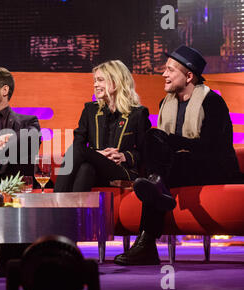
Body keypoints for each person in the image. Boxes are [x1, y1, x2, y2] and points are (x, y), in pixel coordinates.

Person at [114, 45, 243, 265]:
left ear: (189, 75)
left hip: (214, 168)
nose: (164, 74)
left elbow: (213, 149)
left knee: (159, 165)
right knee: (155, 153)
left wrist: (170, 142)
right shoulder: (166, 103)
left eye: (170, 70)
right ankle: (156, 186)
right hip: (180, 167)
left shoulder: (213, 102)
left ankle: (146, 245)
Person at [54, 60, 151, 192]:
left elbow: (145, 153)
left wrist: (124, 156)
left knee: (78, 151)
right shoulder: (90, 110)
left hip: (121, 170)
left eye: (100, 80)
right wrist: (97, 155)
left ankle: (55, 200)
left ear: (116, 82)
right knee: (85, 168)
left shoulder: (138, 113)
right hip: (95, 169)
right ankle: (74, 212)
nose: (95, 84)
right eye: (95, 80)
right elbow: (78, 143)